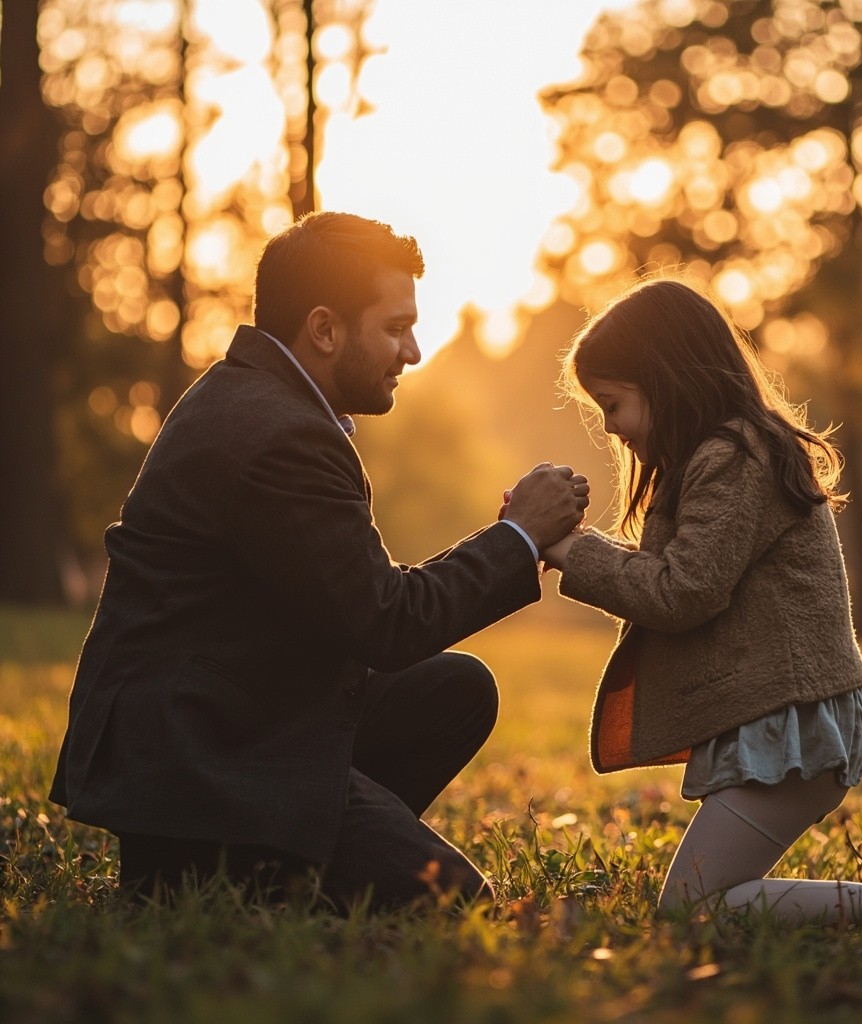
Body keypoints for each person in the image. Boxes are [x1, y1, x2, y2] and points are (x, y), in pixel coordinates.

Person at [49, 211, 590, 911]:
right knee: (460, 905)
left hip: (238, 713)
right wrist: (517, 536)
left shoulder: (259, 399)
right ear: (326, 329)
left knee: (455, 689)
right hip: (200, 763)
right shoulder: (279, 434)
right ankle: (250, 870)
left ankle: (308, 849)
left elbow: (356, 601)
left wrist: (510, 542)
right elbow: (386, 623)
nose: (415, 350)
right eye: (396, 328)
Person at [539, 277, 862, 926]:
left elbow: (682, 592)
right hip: (781, 722)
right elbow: (671, 577)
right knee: (702, 900)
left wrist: (574, 551)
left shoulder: (736, 455)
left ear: (666, 379)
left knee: (694, 906)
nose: (610, 427)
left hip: (794, 724)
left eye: (613, 403)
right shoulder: (715, 458)